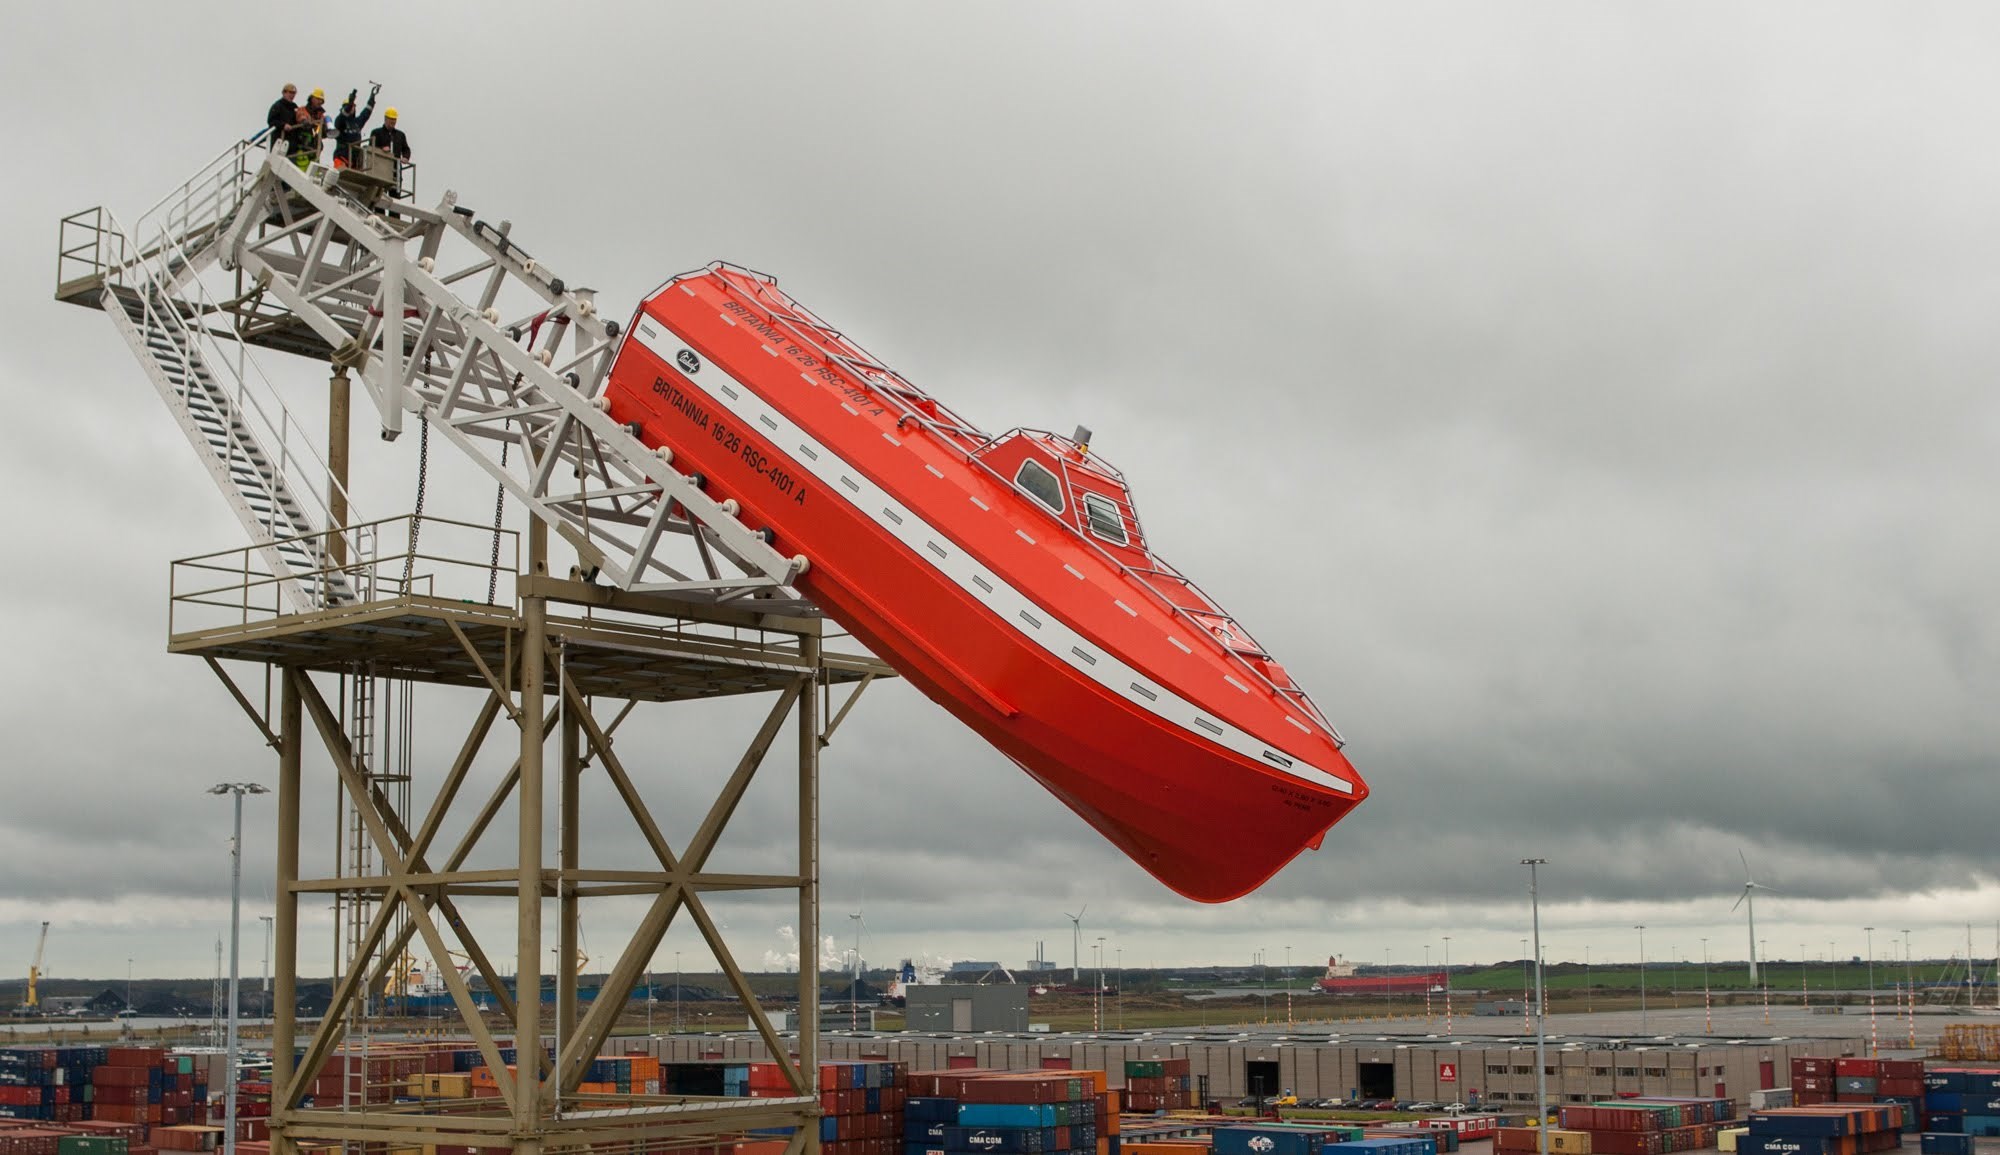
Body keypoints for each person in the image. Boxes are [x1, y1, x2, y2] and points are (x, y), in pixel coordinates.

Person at [331, 83, 379, 168]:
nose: (352, 108)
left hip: (354, 161)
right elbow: (345, 113)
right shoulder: (340, 121)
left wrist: (372, 97)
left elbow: (366, 113)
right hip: (341, 158)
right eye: (350, 106)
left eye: (353, 106)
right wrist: (350, 103)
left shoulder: (357, 122)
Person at [285, 105, 322, 171]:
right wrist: (304, 120)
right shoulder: (303, 109)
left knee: (314, 169)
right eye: (318, 99)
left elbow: (315, 134)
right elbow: (300, 116)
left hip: (312, 150)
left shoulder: (319, 114)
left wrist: (320, 128)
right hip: (301, 147)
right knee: (301, 167)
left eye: (321, 101)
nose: (319, 102)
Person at [264, 83, 298, 148]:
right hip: (278, 141)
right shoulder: (277, 106)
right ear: (284, 93)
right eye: (290, 93)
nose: (292, 95)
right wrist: (283, 125)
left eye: (294, 93)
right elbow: (271, 121)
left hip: (291, 143)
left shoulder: (294, 107)